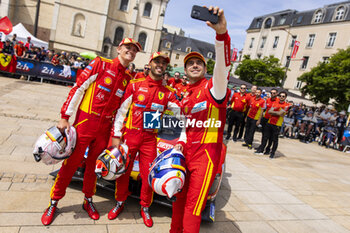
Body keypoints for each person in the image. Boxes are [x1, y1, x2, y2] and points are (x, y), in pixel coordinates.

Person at [40, 38, 141, 226]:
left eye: (135, 50)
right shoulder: (101, 64)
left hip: (105, 129)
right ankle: (54, 202)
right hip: (86, 122)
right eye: (128, 47)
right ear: (119, 48)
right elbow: (79, 88)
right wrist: (65, 116)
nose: (131, 52)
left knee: (95, 168)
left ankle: (88, 200)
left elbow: (122, 110)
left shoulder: (128, 78)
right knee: (71, 164)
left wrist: (116, 135)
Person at [170, 6, 231, 233]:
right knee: (177, 203)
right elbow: (184, 127)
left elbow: (223, 67)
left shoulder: (214, 88)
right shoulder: (186, 95)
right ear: (185, 70)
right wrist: (178, 142)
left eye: (199, 63)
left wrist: (221, 35)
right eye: (190, 63)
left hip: (205, 158)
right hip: (184, 154)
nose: (194, 65)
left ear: (205, 69)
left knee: (193, 209)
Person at [108, 52, 180, 227]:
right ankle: (119, 202)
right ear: (150, 63)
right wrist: (116, 135)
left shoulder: (169, 93)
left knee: (148, 175)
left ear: (165, 68)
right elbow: (121, 112)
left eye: (164, 63)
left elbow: (181, 114)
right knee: (123, 170)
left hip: (150, 139)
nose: (160, 65)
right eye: (157, 61)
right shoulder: (135, 85)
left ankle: (145, 207)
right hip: (131, 135)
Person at [255, 91, 289, 158]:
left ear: (285, 97)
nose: (281, 97)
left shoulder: (286, 105)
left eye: (283, 96)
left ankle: (272, 153)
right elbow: (270, 111)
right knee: (265, 137)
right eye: (280, 96)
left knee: (274, 140)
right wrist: (277, 112)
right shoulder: (275, 103)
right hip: (269, 122)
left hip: (277, 125)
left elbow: (280, 113)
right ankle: (261, 150)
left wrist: (275, 112)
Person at [257, 88, 279, 154]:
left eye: (274, 93)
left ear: (277, 94)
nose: (272, 94)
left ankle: (268, 149)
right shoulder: (267, 100)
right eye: (271, 93)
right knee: (264, 135)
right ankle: (261, 148)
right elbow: (263, 109)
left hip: (273, 121)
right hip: (265, 119)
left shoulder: (278, 101)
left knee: (271, 137)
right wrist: (260, 119)